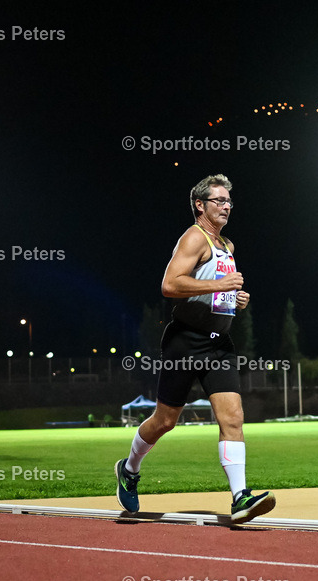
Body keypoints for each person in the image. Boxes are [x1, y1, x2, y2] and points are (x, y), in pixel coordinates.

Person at [115, 173, 275, 524]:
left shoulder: (228, 246)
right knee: (164, 421)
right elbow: (170, 284)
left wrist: (234, 298)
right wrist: (222, 283)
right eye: (219, 200)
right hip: (185, 341)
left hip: (219, 344)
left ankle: (239, 497)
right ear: (200, 205)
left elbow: (213, 291)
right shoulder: (193, 238)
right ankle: (129, 467)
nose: (227, 206)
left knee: (232, 417)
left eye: (229, 201)